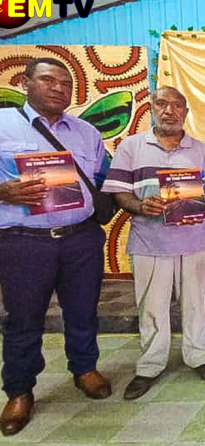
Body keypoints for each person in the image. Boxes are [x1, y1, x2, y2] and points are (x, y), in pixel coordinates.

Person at [0, 58, 111, 436]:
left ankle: (85, 368)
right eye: (49, 80)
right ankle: (19, 390)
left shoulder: (86, 132)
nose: (58, 88)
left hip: (80, 238)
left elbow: (101, 178)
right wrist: (2, 190)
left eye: (66, 83)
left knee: (83, 311)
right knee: (23, 319)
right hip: (24, 241)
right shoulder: (3, 124)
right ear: (25, 81)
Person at [102, 86, 205, 399]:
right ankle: (150, 365)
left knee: (195, 303)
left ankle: (200, 356)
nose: (170, 110)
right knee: (152, 307)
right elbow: (119, 192)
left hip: (194, 241)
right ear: (151, 108)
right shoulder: (131, 147)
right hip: (150, 241)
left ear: (186, 112)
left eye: (177, 105)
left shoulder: (203, 152)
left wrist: (197, 206)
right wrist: (140, 205)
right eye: (162, 104)